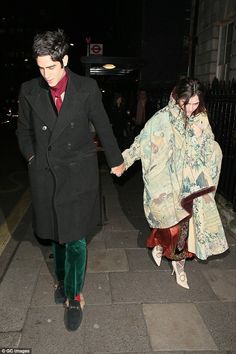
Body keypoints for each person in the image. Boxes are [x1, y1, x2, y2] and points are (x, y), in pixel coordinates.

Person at [16, 29, 125, 331]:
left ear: (64, 60)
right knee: (56, 235)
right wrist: (32, 158)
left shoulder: (86, 87)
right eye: (40, 67)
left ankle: (74, 296)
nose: (46, 74)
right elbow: (23, 132)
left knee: (75, 239)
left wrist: (116, 160)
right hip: (46, 176)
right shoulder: (29, 90)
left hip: (78, 174)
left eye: (51, 67)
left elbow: (102, 125)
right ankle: (63, 281)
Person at [122, 78, 228, 289]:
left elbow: (211, 146)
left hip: (192, 185)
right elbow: (143, 141)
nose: (190, 108)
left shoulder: (202, 118)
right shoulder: (163, 118)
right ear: (177, 97)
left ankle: (178, 265)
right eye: (186, 103)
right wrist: (124, 161)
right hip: (168, 182)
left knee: (184, 227)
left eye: (195, 103)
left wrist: (205, 142)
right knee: (170, 224)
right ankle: (160, 245)